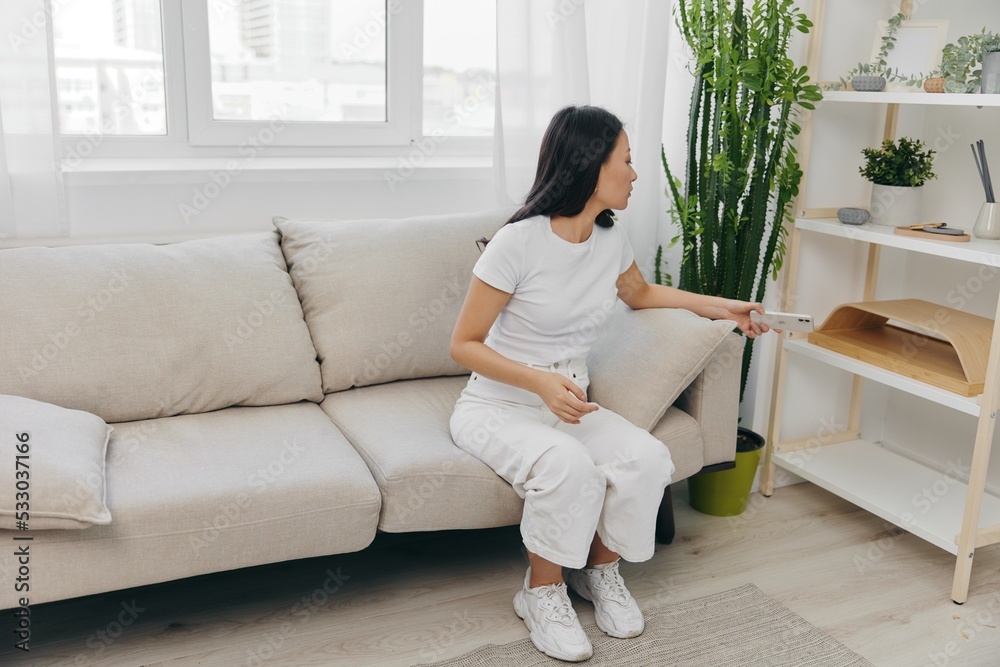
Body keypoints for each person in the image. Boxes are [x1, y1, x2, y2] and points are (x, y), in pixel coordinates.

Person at [449, 105, 774, 662]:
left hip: (569, 403)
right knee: (567, 465)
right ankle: (541, 592)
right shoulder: (518, 243)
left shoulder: (608, 239)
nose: (635, 172)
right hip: (499, 405)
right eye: (626, 159)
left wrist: (727, 309)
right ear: (591, 164)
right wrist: (540, 382)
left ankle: (597, 574)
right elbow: (464, 344)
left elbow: (643, 296)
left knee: (646, 458)